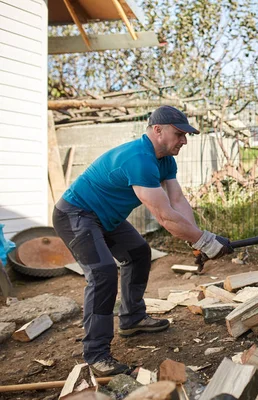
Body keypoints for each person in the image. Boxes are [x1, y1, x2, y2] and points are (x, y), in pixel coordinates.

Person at [52, 105, 233, 377]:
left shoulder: (165, 160)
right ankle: (96, 353)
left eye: (186, 135)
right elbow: (164, 216)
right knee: (102, 274)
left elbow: (177, 201)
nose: (184, 140)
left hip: (106, 217)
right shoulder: (139, 158)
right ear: (157, 130)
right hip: (76, 215)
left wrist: (197, 238)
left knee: (138, 252)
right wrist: (204, 240)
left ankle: (132, 319)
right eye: (179, 133)